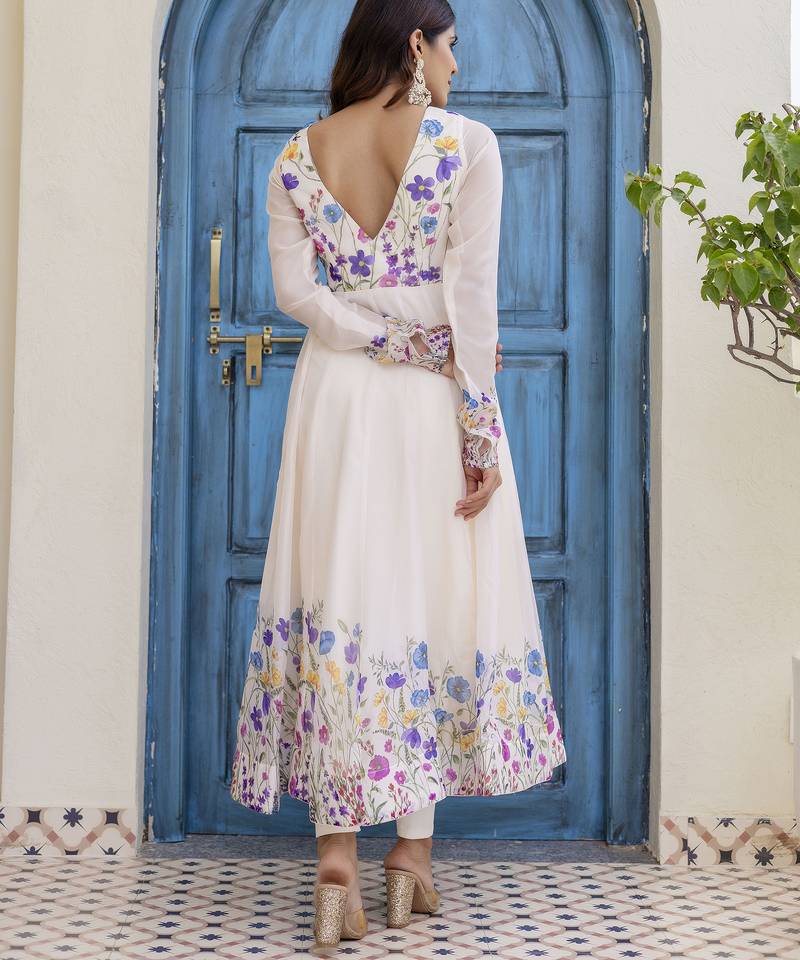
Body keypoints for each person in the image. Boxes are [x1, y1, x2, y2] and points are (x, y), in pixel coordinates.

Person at [229, 0, 566, 946]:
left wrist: (378, 336)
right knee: (427, 597)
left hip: (336, 398)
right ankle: (410, 856)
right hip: (431, 401)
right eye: (452, 47)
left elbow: (297, 294)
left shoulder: (296, 157)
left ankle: (336, 861)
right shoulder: (468, 146)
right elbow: (472, 298)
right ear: (416, 43)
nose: (458, 66)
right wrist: (478, 430)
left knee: (342, 593)